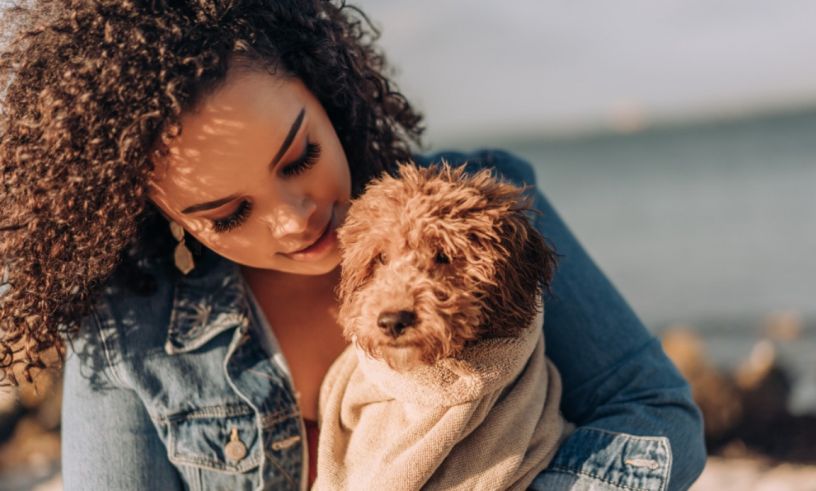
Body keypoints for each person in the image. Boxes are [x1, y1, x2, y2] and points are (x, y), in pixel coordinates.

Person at [0, 1, 706, 489]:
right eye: (229, 212)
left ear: (319, 82)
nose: (295, 219)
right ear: (160, 210)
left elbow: (655, 415)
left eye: (299, 155)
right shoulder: (124, 327)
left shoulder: (484, 201)